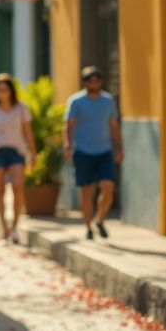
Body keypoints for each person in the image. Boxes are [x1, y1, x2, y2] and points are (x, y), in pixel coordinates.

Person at [0, 73, 37, 243]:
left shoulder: (21, 108)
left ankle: (15, 226)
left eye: (6, 89)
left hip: (16, 150)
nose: (2, 93)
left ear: (11, 91)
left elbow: (27, 132)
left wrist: (33, 153)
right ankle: (4, 227)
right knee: (0, 191)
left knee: (18, 187)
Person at [65, 65, 122, 240]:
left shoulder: (108, 101)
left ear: (101, 81)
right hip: (83, 150)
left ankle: (100, 219)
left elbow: (114, 126)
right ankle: (88, 226)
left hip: (104, 150)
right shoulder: (76, 101)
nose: (93, 81)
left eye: (96, 78)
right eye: (90, 79)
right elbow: (69, 125)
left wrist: (119, 148)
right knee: (86, 191)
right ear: (84, 82)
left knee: (108, 187)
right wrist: (68, 145)